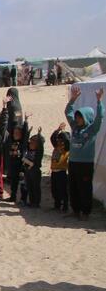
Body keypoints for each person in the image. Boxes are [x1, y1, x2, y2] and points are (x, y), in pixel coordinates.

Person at [65, 86, 104, 220]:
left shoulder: (92, 129)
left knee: (85, 188)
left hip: (85, 164)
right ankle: (75, 210)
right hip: (73, 162)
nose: (77, 119)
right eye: (77, 117)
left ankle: (85, 212)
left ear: (86, 117)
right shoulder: (75, 127)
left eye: (80, 117)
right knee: (73, 187)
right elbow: (67, 112)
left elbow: (100, 117)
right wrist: (73, 99)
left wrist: (99, 102)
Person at [5, 116, 30, 203]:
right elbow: (9, 128)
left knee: (23, 183)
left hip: (21, 166)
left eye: (18, 133)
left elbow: (26, 134)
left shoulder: (22, 143)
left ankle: (23, 199)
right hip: (13, 165)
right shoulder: (11, 141)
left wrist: (26, 121)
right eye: (15, 132)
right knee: (13, 182)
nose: (16, 134)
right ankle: (13, 196)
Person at [21, 128, 44, 208]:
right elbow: (24, 143)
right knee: (30, 187)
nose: (30, 143)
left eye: (33, 142)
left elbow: (41, 147)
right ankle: (31, 202)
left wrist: (39, 134)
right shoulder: (28, 150)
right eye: (30, 142)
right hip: (28, 171)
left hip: (35, 171)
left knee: (35, 187)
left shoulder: (38, 152)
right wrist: (28, 133)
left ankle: (36, 203)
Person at [49, 124, 70, 212]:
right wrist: (58, 130)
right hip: (54, 171)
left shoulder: (66, 149)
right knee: (54, 189)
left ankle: (65, 206)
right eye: (59, 140)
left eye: (62, 140)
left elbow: (68, 141)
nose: (59, 142)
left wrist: (64, 133)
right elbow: (52, 138)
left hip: (62, 172)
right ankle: (57, 205)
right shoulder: (56, 147)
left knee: (62, 190)